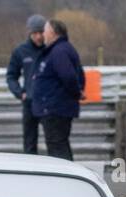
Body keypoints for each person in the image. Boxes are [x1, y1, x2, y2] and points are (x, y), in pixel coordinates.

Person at [30, 18, 85, 162]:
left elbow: (68, 76)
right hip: (53, 108)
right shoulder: (58, 50)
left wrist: (77, 93)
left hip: (56, 109)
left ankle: (67, 179)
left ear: (53, 32)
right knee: (58, 145)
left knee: (58, 148)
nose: (43, 34)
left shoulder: (59, 51)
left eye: (45, 31)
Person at [6, 15, 47, 154]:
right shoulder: (21, 51)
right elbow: (11, 76)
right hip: (29, 103)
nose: (39, 36)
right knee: (29, 142)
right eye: (35, 33)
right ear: (30, 33)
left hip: (49, 102)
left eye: (41, 32)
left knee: (54, 140)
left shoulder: (52, 49)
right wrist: (20, 93)